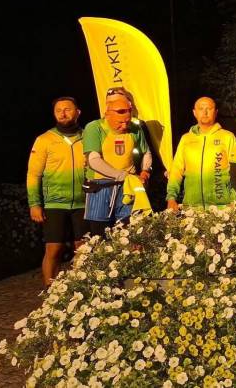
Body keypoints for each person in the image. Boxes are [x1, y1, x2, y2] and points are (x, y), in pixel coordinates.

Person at [27, 96, 86, 286]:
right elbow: (33, 174)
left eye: (67, 109)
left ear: (77, 112)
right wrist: (35, 204)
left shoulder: (88, 137)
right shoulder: (44, 140)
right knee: (54, 248)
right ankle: (50, 291)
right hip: (54, 203)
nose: (63, 113)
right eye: (58, 110)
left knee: (83, 248)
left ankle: (80, 288)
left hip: (83, 201)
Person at [82, 87, 152, 237]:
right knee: (100, 236)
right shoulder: (94, 128)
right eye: (120, 122)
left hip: (127, 187)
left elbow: (146, 152)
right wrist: (122, 175)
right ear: (108, 114)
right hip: (100, 187)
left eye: (127, 121)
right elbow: (94, 160)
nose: (124, 126)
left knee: (129, 232)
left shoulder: (135, 128)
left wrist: (145, 170)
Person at [166, 97, 236, 210]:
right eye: (201, 109)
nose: (205, 112)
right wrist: (171, 198)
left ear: (216, 112)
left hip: (223, 208)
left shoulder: (228, 137)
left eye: (209, 108)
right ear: (194, 113)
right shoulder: (186, 139)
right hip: (192, 209)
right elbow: (176, 170)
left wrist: (235, 201)